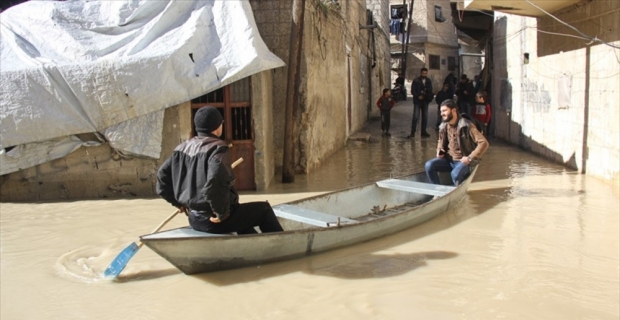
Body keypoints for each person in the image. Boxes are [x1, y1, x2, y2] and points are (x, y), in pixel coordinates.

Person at [156, 106, 284, 235]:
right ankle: (283, 246)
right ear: (217, 127)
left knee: (242, 216)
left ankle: (251, 246)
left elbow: (162, 177)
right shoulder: (218, 148)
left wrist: (177, 203)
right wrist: (221, 213)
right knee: (264, 209)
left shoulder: (181, 148)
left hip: (194, 219)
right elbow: (215, 180)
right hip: (214, 221)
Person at [425, 99, 489, 186]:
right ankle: (437, 191)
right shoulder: (443, 125)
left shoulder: (466, 125)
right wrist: (439, 151)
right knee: (429, 165)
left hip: (463, 161)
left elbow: (484, 143)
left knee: (454, 174)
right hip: (449, 160)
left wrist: (470, 158)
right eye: (441, 111)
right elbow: (440, 140)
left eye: (444, 111)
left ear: (454, 110)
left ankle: (456, 189)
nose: (442, 114)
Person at [407, 67, 433, 138]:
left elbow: (430, 90)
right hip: (417, 101)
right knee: (415, 116)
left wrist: (425, 94)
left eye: (425, 73)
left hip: (425, 101)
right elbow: (413, 90)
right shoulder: (416, 80)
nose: (424, 74)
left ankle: (423, 131)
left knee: (425, 117)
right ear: (421, 73)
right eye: (423, 73)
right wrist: (418, 96)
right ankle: (413, 132)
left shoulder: (428, 81)